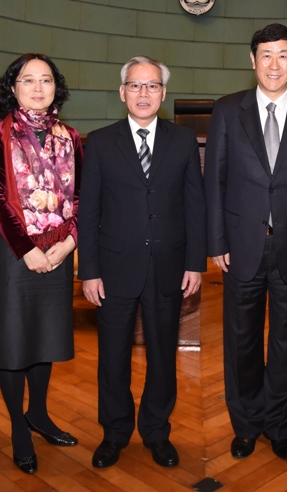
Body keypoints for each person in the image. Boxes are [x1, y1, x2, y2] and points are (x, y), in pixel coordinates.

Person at [204, 22, 287, 462]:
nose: (274, 63)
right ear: (252, 60)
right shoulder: (226, 111)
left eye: (283, 54)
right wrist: (217, 239)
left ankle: (279, 425)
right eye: (266, 54)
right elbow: (215, 181)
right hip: (239, 246)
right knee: (241, 341)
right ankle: (245, 425)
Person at [77, 56, 206, 470]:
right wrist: (89, 270)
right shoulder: (98, 141)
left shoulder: (184, 142)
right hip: (113, 269)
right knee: (112, 357)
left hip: (169, 267)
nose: (143, 93)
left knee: (163, 355)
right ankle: (114, 433)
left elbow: (194, 205)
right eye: (135, 86)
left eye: (152, 86)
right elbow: (89, 211)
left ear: (163, 94)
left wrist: (194, 262)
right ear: (122, 92)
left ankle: (156, 431)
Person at [0, 53, 80, 475]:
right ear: (13, 88)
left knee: (45, 339)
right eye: (28, 80)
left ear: (56, 87)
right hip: (13, 254)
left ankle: (38, 414)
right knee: (14, 343)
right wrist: (28, 249)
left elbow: (84, 198)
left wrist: (69, 243)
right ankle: (19, 431)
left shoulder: (72, 137)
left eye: (45, 80)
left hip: (59, 252)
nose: (38, 88)